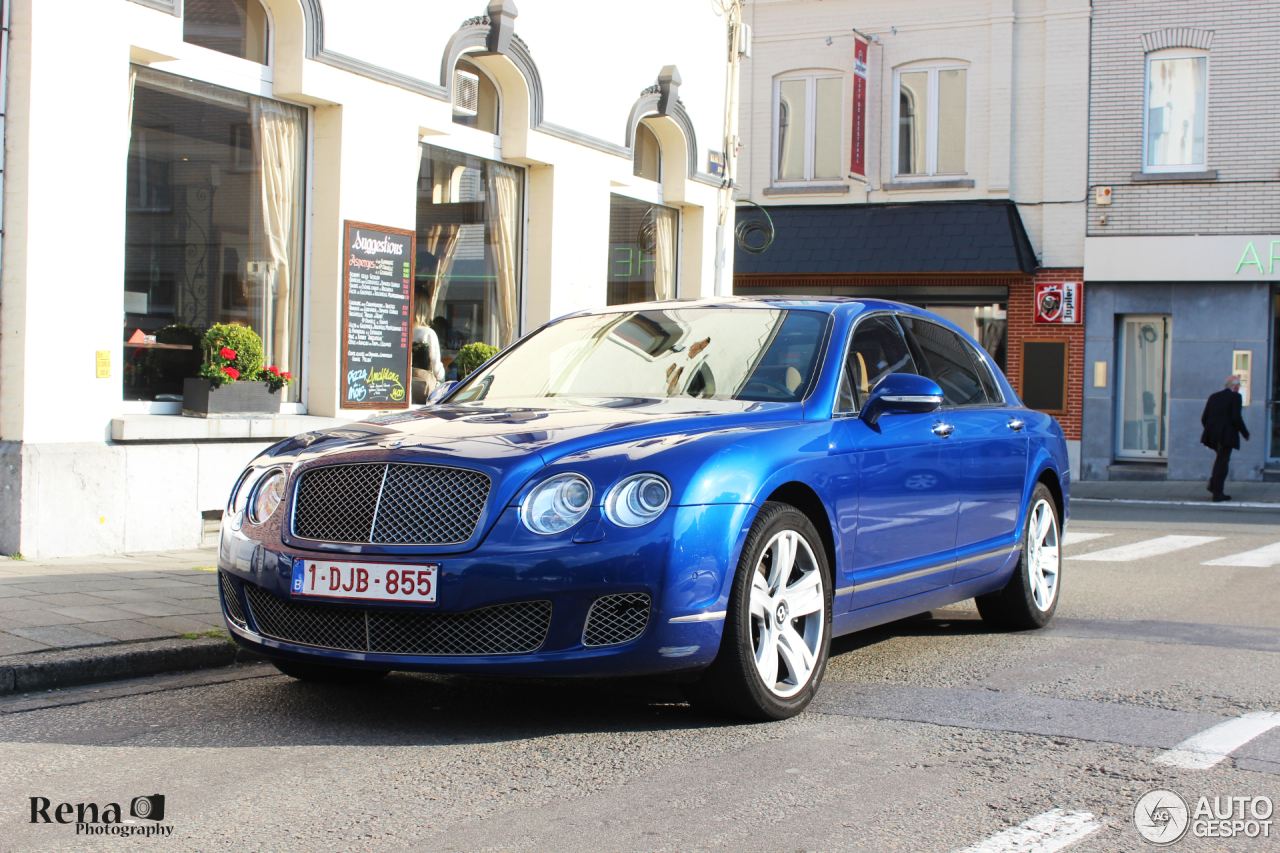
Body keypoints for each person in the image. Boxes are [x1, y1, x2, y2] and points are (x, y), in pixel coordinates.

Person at [1200, 375, 1250, 502]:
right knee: (1222, 462)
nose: (1239, 387)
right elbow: (1236, 417)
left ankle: (1213, 485)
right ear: (1236, 386)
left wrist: (1210, 430)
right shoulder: (1236, 397)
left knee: (1220, 461)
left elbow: (1204, 417)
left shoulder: (1214, 396)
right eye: (1239, 385)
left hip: (1212, 435)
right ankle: (1217, 493)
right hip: (1226, 435)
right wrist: (1245, 433)